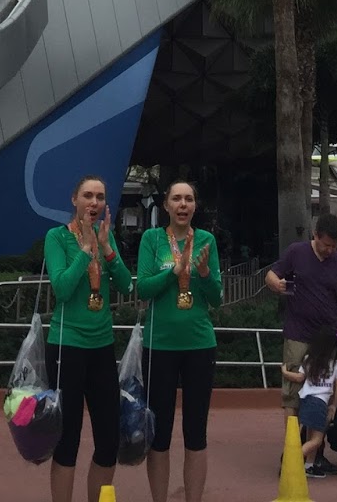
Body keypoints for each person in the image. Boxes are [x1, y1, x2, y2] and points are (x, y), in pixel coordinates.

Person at [44, 176, 131, 502]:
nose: (94, 203)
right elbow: (62, 289)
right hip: (67, 347)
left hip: (102, 347)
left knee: (109, 440)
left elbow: (125, 286)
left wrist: (106, 249)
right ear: (74, 199)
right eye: (88, 196)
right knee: (68, 440)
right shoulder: (56, 238)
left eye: (100, 197)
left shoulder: (105, 237)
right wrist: (84, 252)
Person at [136, 180, 221, 502]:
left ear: (194, 206)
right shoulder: (152, 239)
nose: (183, 205)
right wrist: (175, 271)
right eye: (177, 199)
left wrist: (202, 273)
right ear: (166, 205)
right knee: (159, 434)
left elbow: (216, 298)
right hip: (159, 346)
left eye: (188, 199)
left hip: (199, 345)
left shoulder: (207, 240)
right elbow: (142, 289)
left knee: (195, 432)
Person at [266, 212, 337, 429]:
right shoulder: (296, 252)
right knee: (292, 392)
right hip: (297, 333)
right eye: (326, 244)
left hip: (326, 337)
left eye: (334, 246)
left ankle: (316, 450)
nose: (330, 250)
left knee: (323, 391)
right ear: (315, 235)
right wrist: (277, 284)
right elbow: (271, 275)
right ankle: (292, 447)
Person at [280, 327, 337, 479]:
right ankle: (293, 460)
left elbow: (299, 378)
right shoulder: (334, 364)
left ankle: (309, 465)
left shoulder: (309, 359)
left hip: (306, 400)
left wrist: (285, 372)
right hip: (320, 403)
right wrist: (334, 405)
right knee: (316, 440)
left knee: (308, 433)